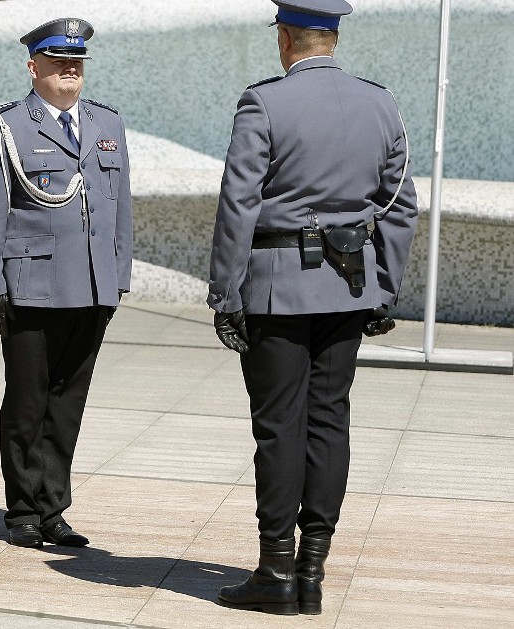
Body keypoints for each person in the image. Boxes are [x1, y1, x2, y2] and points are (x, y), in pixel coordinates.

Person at [207, 0, 418, 616]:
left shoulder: (264, 102)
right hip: (350, 285)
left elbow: (238, 203)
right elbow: (401, 205)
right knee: (329, 422)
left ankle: (275, 570)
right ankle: (313, 568)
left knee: (279, 426)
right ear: (331, 37)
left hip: (276, 289)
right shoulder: (381, 103)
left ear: (287, 39)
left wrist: (225, 292)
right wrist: (386, 284)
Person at [0, 17, 132, 549]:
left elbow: (120, 208)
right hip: (30, 286)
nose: (70, 70)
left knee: (68, 400)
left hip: (92, 285)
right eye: (59, 62)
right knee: (28, 399)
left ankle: (53, 507)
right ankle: (22, 511)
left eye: (77, 63)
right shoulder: (6, 127)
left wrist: (118, 275)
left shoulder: (108, 126)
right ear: (33, 68)